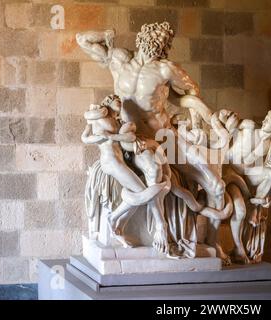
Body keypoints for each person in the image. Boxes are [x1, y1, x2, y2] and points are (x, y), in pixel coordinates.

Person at [76, 22, 229, 261]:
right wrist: (106, 34)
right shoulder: (118, 59)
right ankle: (160, 228)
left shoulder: (167, 70)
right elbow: (82, 39)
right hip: (135, 138)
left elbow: (191, 93)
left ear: (166, 46)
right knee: (153, 169)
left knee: (216, 184)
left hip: (165, 136)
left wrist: (206, 117)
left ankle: (212, 243)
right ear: (141, 38)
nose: (157, 41)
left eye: (163, 39)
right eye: (154, 35)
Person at [81, 95, 168, 251]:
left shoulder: (118, 122)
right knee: (142, 192)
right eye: (115, 99)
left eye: (120, 100)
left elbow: (130, 136)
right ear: (107, 102)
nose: (119, 101)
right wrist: (99, 139)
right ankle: (116, 221)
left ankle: (115, 221)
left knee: (140, 194)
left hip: (119, 160)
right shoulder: (98, 117)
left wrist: (111, 136)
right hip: (110, 162)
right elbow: (85, 138)